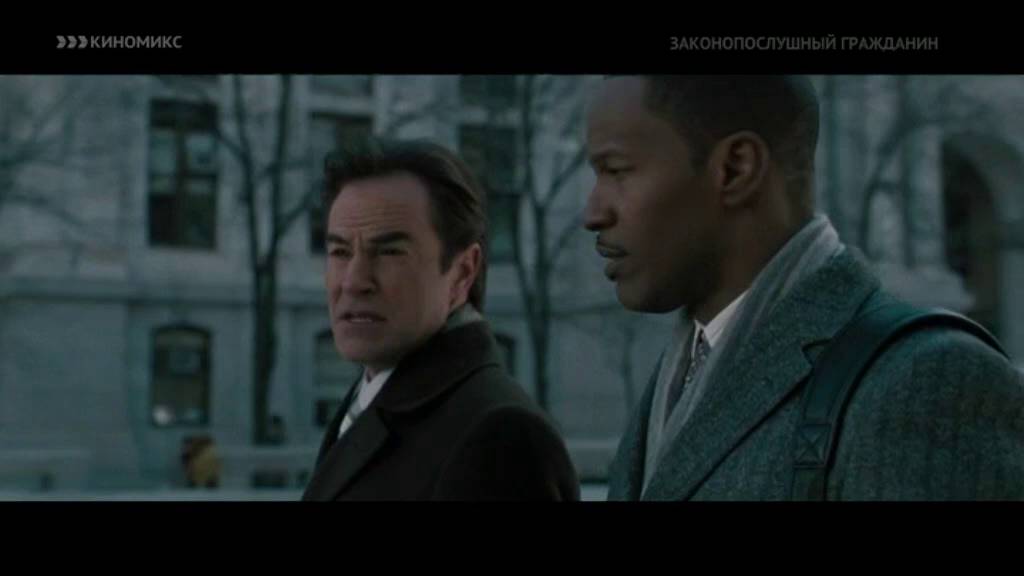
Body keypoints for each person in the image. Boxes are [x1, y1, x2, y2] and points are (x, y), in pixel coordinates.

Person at [583, 75, 1024, 500]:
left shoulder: (925, 381)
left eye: (617, 171)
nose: (593, 213)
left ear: (736, 169)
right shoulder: (680, 374)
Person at [301, 139, 579, 501]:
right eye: (340, 251)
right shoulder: (376, 397)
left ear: (463, 272)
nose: (353, 282)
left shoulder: (500, 438)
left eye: (389, 252)